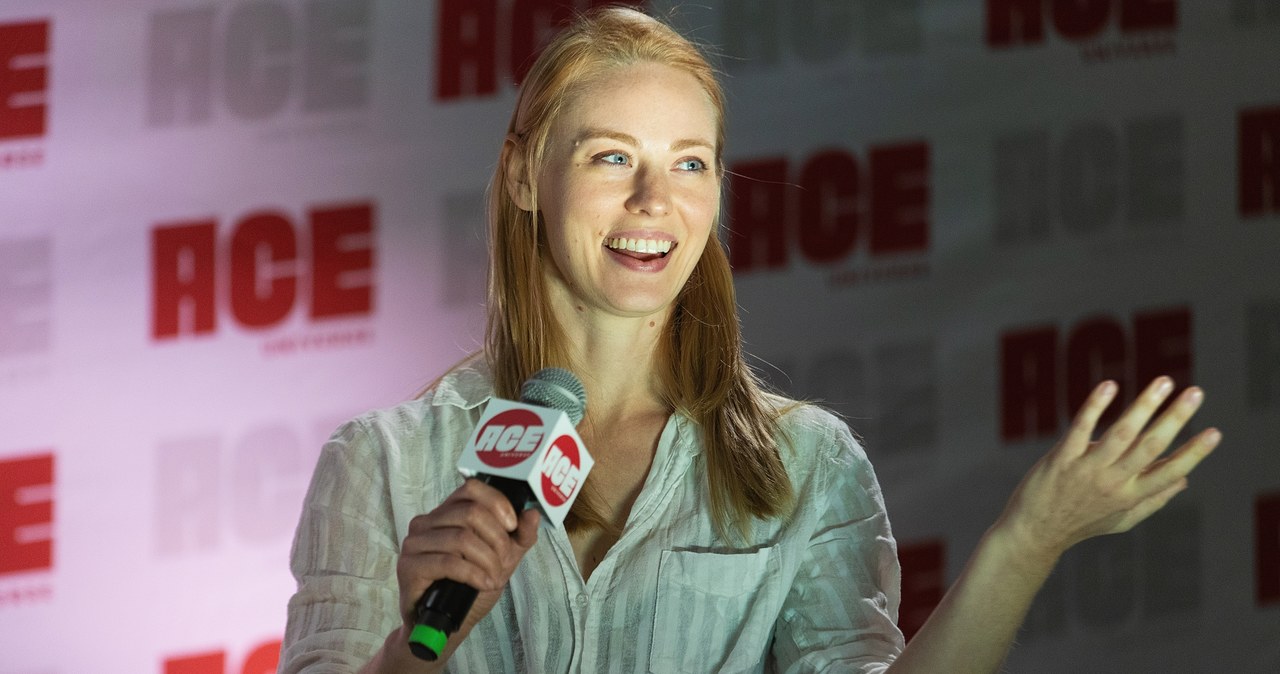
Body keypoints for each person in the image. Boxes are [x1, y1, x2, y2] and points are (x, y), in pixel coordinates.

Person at [278, 7, 1220, 673]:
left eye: (690, 163)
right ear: (524, 177)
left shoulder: (807, 462)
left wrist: (1026, 544)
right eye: (612, 157)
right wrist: (413, 654)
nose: (656, 202)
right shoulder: (382, 464)